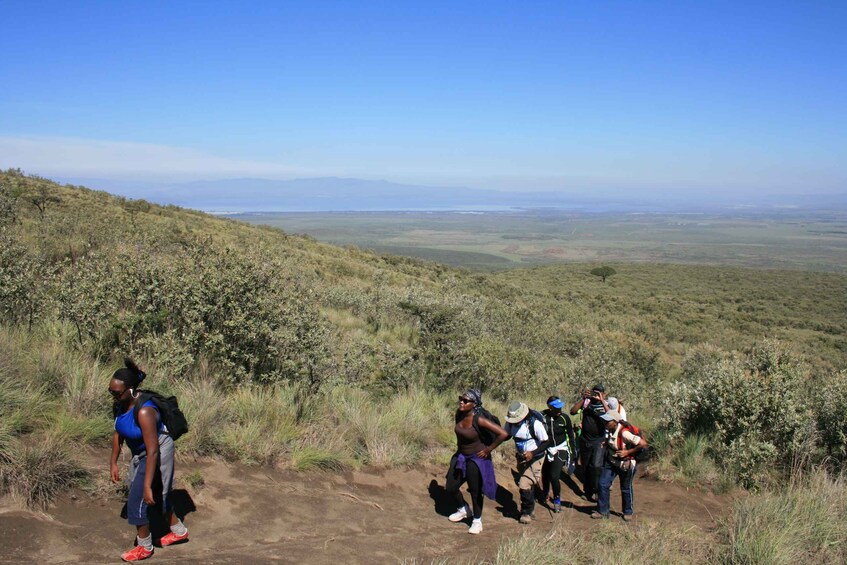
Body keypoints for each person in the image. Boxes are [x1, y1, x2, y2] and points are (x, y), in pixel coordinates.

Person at [109, 359, 188, 561]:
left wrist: (146, 486)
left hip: (157, 450)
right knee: (155, 495)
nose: (113, 396)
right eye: (111, 392)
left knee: (139, 497)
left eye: (117, 393)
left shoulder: (145, 412)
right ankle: (178, 531)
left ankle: (145, 547)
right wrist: (113, 462)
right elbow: (118, 434)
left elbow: (153, 451)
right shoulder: (120, 405)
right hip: (142, 452)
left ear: (131, 390)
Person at [445, 389, 509, 535]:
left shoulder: (479, 419)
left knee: (475, 491)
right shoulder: (459, 414)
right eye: (461, 398)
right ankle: (463, 510)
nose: (462, 401)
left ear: (474, 404)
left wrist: (488, 449)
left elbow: (503, 434)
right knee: (451, 486)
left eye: (466, 400)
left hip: (477, 458)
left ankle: (477, 521)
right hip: (461, 456)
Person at [591, 410, 647, 521]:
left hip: (625, 463)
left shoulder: (624, 433)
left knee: (625, 487)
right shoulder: (609, 430)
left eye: (608, 420)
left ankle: (628, 511)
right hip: (611, 462)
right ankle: (603, 511)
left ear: (615, 421)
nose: (605, 422)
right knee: (602, 484)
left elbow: (643, 444)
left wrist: (628, 452)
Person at [504, 401, 551, 524]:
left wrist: (533, 453)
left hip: (536, 457)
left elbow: (546, 442)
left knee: (524, 484)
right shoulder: (510, 424)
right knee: (527, 483)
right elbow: (506, 435)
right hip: (521, 458)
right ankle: (531, 507)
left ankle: (526, 512)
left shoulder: (535, 424)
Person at [570, 384, 607, 502]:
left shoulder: (605, 405)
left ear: (603, 394)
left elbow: (611, 416)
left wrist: (602, 401)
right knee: (585, 467)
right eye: (594, 392)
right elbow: (573, 411)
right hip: (585, 439)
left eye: (598, 393)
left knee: (596, 466)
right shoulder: (586, 403)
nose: (595, 395)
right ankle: (588, 491)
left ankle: (597, 490)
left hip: (599, 440)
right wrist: (584, 399)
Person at [541, 396, 575, 513]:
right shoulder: (542, 417)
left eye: (560, 408)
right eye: (556, 408)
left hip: (561, 448)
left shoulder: (565, 418)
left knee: (554, 475)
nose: (559, 411)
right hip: (545, 448)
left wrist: (573, 453)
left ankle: (557, 500)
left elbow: (570, 436)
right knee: (545, 472)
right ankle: (545, 492)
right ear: (550, 407)